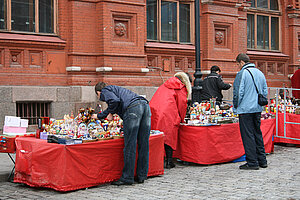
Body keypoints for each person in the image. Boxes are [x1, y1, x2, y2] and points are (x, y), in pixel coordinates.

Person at [91, 82, 151, 185]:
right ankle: (141, 175)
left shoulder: (106, 90)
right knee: (143, 143)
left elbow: (114, 101)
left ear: (98, 92)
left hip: (133, 109)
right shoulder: (117, 90)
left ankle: (127, 177)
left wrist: (104, 114)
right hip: (145, 106)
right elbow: (117, 101)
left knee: (130, 144)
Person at [233, 53, 268, 170]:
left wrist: (235, 106)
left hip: (245, 109)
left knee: (248, 135)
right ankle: (262, 160)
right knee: (257, 133)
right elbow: (264, 91)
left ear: (241, 62)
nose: (238, 66)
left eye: (238, 64)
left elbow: (238, 93)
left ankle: (252, 162)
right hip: (257, 108)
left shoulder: (241, 73)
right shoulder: (260, 73)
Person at [150, 72, 192, 169]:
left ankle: (158, 161)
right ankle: (169, 161)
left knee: (158, 136)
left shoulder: (165, 85)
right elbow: (182, 104)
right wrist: (182, 118)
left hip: (155, 112)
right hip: (168, 113)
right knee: (169, 137)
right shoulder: (180, 87)